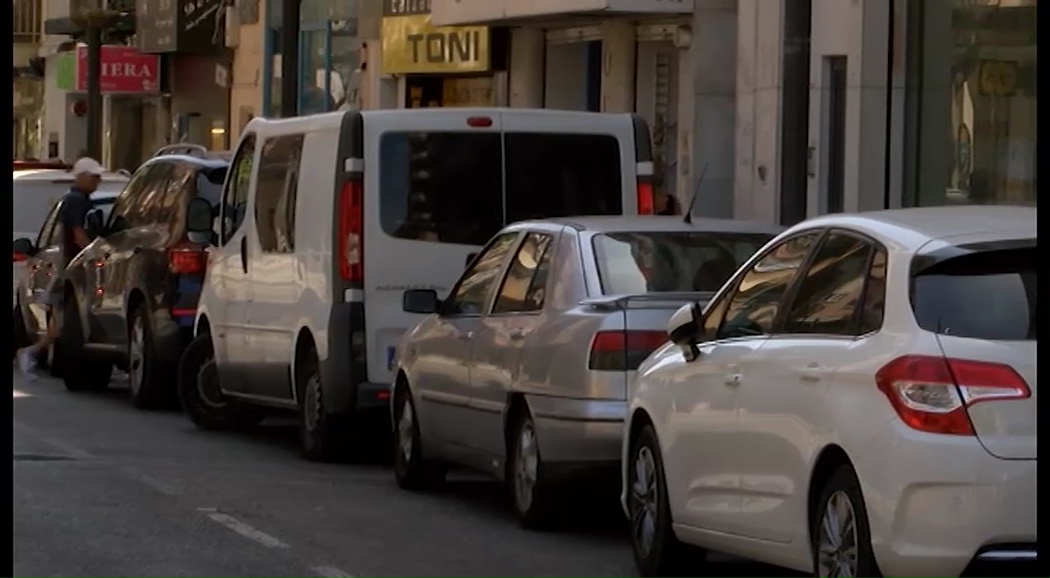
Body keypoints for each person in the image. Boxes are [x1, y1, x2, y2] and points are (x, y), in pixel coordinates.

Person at [16, 157, 104, 379]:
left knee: (60, 320)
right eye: (94, 176)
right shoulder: (76, 201)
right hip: (71, 269)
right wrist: (92, 253)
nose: (98, 181)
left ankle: (31, 353)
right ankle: (32, 353)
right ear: (81, 176)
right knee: (63, 319)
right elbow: (78, 233)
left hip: (70, 268)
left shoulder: (80, 199)